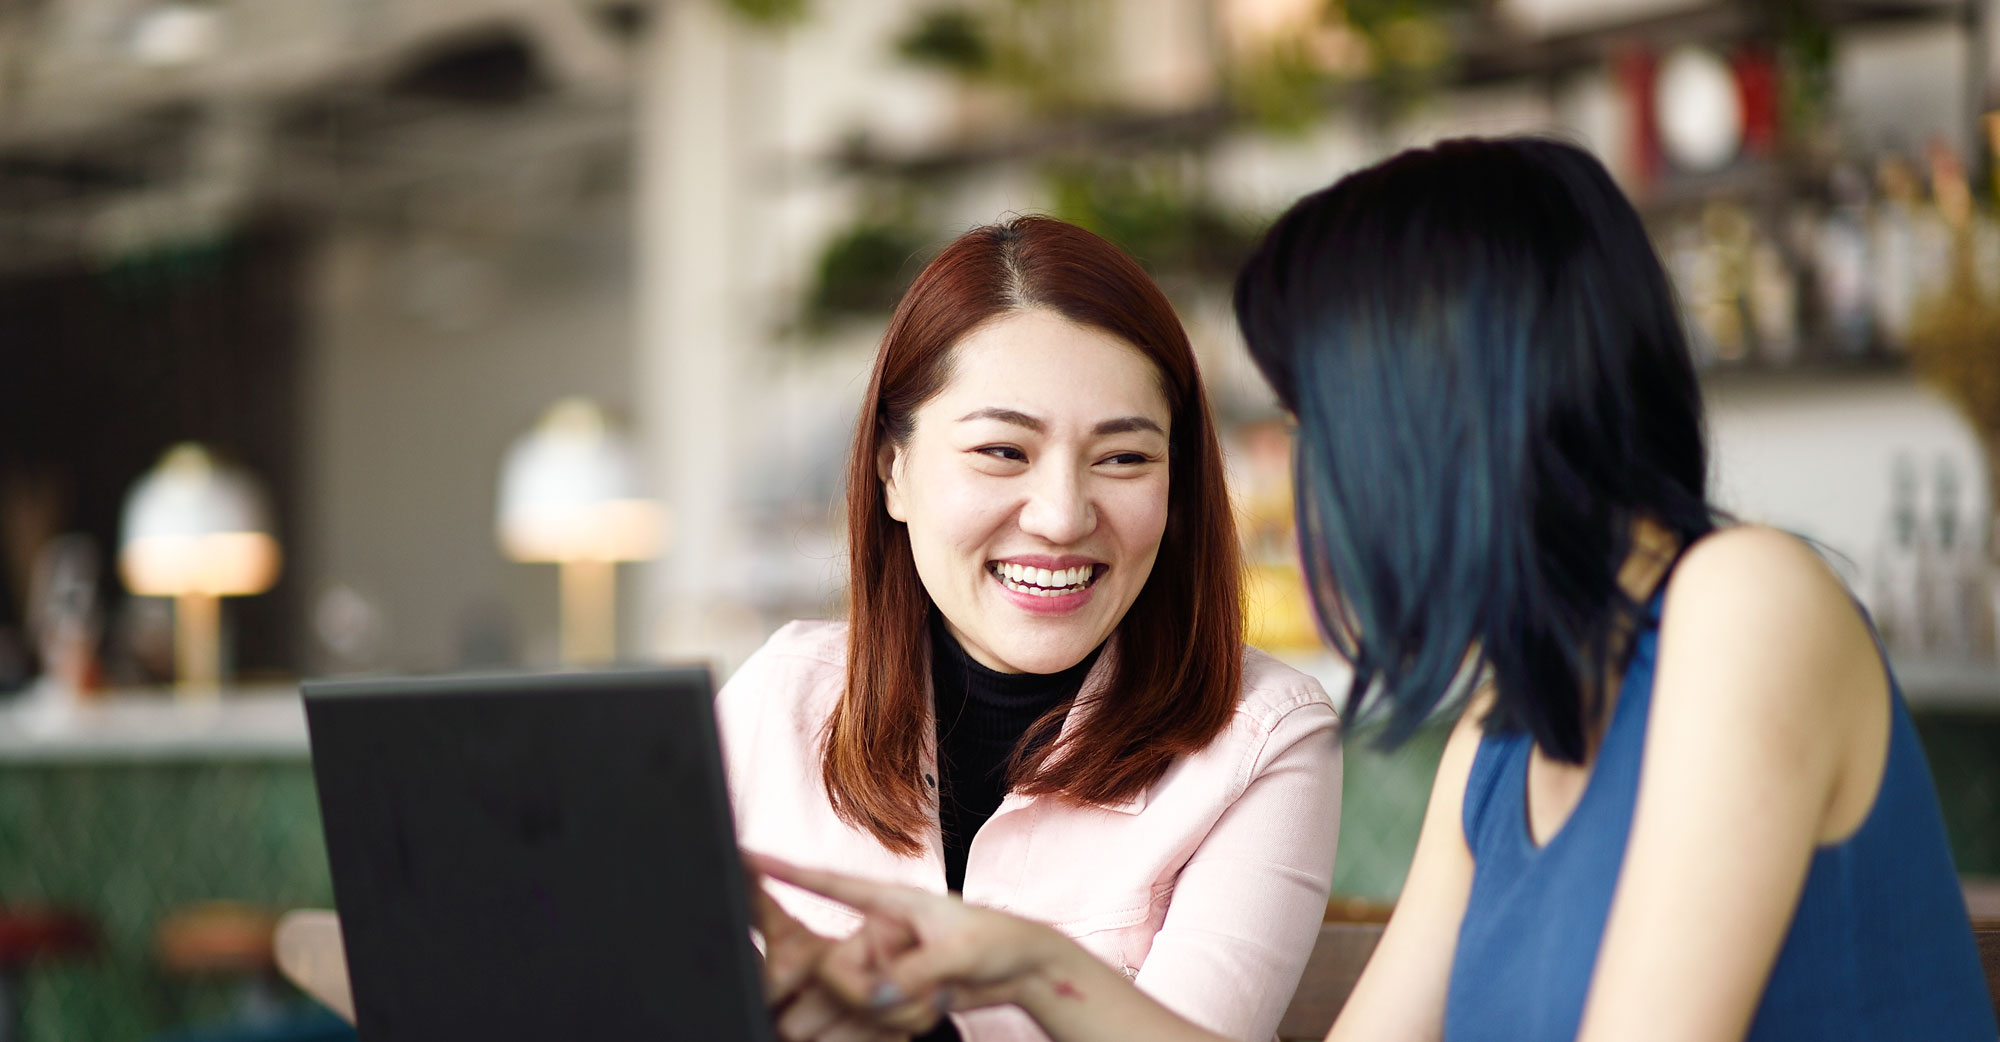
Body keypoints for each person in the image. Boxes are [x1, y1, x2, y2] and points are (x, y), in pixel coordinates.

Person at [753, 138, 2000, 1042]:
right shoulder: (1508, 732)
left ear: (1427, 409)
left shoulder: (1743, 605)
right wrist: (1020, 964)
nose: (1312, 470)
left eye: (1318, 416)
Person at [723, 215, 1345, 1042]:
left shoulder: (1265, 738)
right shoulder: (777, 699)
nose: (1061, 517)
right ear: (893, 472)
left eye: (1123, 459)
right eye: (1003, 453)